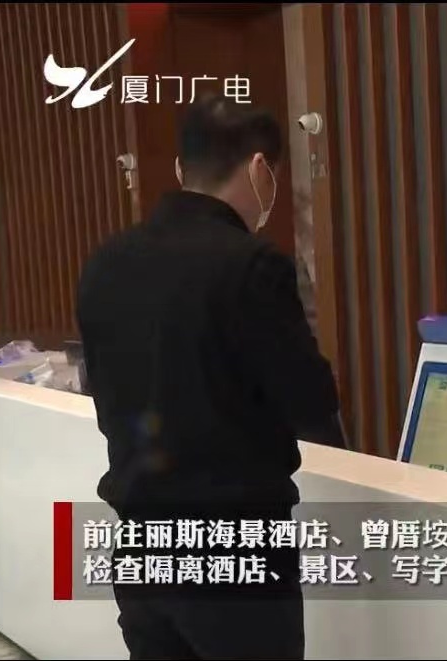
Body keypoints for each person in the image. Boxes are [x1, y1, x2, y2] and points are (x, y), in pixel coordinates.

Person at [75, 95, 346, 660]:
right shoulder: (251, 264)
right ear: (260, 169)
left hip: (139, 544)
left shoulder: (106, 261)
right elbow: (310, 400)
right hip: (234, 551)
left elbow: (104, 395)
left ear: (180, 169)